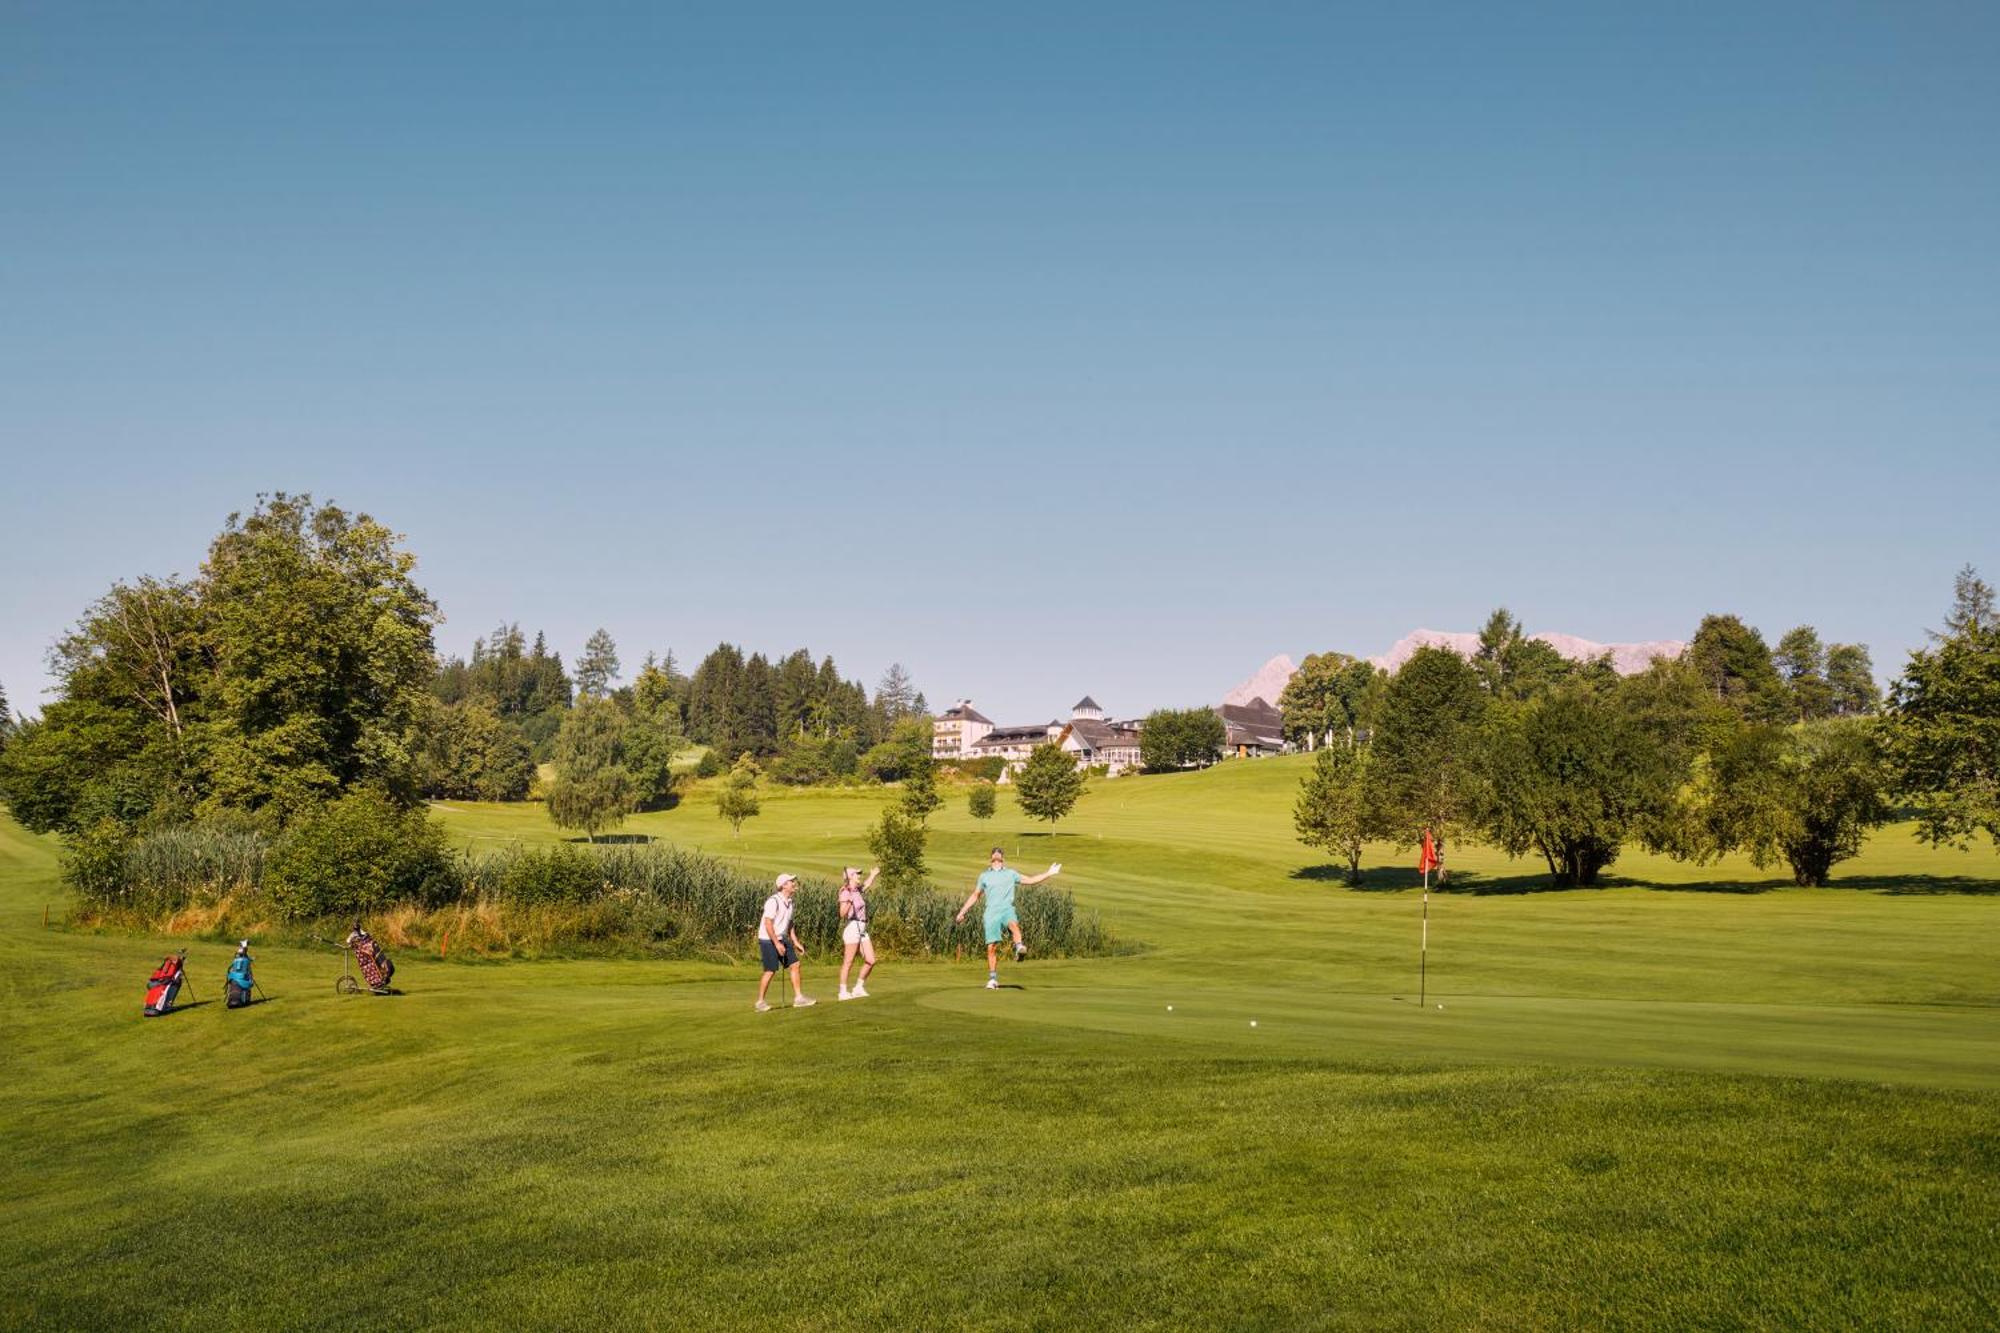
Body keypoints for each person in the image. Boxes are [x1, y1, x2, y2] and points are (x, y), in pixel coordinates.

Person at [955, 847, 1061, 990]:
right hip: (991, 912)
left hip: (1006, 909)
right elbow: (975, 895)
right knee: (991, 947)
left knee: (1013, 924)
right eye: (995, 853)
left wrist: (1049, 873)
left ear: (1002, 858)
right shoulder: (984, 876)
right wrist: (962, 912)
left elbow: (1030, 880)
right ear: (991, 858)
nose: (997, 854)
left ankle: (1019, 947)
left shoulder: (1011, 873)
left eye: (1000, 853)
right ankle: (993, 979)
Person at [755, 873, 815, 1012]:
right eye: (790, 882)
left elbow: (789, 924)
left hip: (781, 938)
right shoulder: (773, 901)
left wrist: (795, 941)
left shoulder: (790, 902)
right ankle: (760, 1002)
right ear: (783, 886)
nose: (794, 883)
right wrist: (777, 944)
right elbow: (768, 924)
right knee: (770, 971)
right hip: (768, 939)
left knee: (795, 964)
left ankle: (799, 998)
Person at [836, 865, 880, 1001]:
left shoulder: (856, 890)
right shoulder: (845, 892)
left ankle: (858, 988)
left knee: (871, 960)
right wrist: (849, 900)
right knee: (848, 962)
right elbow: (842, 913)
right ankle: (842, 991)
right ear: (850, 877)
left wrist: (873, 874)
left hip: (862, 927)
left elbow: (866, 885)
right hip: (853, 927)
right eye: (857, 874)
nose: (859, 876)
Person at [225, 940, 256, 1008]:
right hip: (242, 977)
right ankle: (243, 1000)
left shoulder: (236, 960)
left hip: (234, 978)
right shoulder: (244, 959)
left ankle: (233, 999)